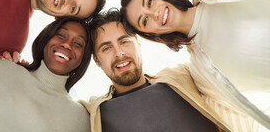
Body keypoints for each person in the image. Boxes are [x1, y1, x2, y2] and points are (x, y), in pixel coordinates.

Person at [120, 0, 270, 130]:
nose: (154, 13)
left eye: (149, 2)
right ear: (152, 34)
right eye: (144, 20)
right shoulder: (202, 74)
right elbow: (240, 119)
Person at [79, 9, 240, 132]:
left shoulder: (184, 75)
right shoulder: (93, 112)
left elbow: (223, 43)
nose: (119, 53)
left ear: (139, 45)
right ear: (96, 60)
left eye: (124, 41)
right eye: (106, 48)